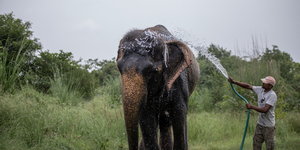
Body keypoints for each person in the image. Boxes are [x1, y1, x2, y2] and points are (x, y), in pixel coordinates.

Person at [228, 76, 277, 150]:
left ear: (270, 86)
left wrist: (251, 106)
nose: (263, 83)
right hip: (259, 124)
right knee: (256, 145)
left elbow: (265, 110)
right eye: (263, 82)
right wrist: (234, 82)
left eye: (265, 83)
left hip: (268, 127)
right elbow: (248, 86)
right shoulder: (260, 89)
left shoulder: (272, 95)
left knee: (270, 147)